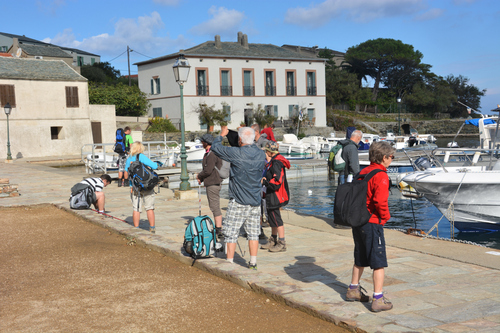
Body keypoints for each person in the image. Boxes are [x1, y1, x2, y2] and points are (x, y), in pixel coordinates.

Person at [346, 141, 395, 312]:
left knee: (359, 256)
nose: (392, 160)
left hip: (358, 221)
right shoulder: (381, 175)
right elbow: (380, 201)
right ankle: (378, 298)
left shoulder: (363, 172)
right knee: (378, 260)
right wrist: (385, 217)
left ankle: (353, 289)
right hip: (372, 222)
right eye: (391, 157)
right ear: (384, 158)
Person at [211, 126, 266, 270]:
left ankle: (229, 262)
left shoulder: (237, 153)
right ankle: (253, 263)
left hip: (238, 200)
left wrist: (222, 135)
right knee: (253, 233)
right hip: (255, 200)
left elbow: (216, 148)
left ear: (240, 139)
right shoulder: (261, 154)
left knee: (230, 232)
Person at [260, 142, 290, 252]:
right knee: (272, 217)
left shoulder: (276, 162)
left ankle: (282, 243)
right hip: (271, 192)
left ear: (269, 151)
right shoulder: (273, 161)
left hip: (276, 194)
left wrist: (266, 182)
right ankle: (273, 239)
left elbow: (277, 180)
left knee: (276, 218)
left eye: (266, 151)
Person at [125, 141, 159, 234]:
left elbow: (125, 175)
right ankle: (152, 228)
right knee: (149, 208)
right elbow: (155, 166)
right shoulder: (142, 157)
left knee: (136, 208)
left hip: (135, 187)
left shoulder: (129, 159)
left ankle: (136, 228)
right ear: (140, 149)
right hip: (147, 186)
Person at [196, 133, 224, 239]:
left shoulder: (212, 154)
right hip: (212, 181)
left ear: (206, 143)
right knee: (214, 206)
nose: (201, 143)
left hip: (213, 182)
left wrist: (199, 176)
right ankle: (218, 228)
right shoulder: (209, 153)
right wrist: (201, 178)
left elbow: (208, 170)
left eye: (202, 141)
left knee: (214, 206)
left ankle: (219, 230)